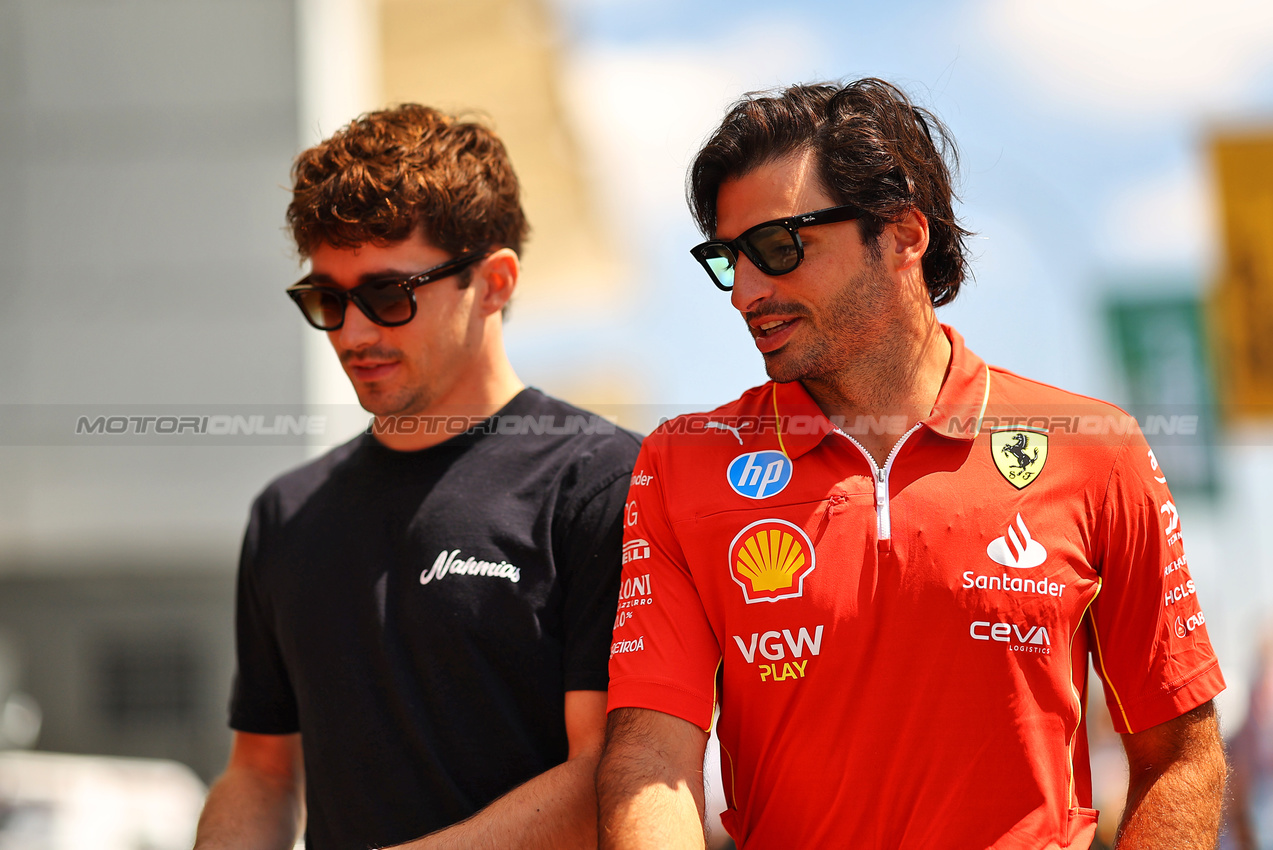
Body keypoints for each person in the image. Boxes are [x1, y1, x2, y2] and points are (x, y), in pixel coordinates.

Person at [596, 79, 1227, 849]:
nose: (746, 293)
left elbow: (1181, 758)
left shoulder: (1096, 447)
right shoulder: (681, 463)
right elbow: (650, 758)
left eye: (777, 247)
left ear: (901, 235)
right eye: (729, 259)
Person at [193, 104, 640, 850]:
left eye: (388, 295)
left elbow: (615, 775)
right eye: (326, 299)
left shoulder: (605, 481)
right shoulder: (288, 513)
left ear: (494, 283)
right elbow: (263, 773)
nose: (352, 333)